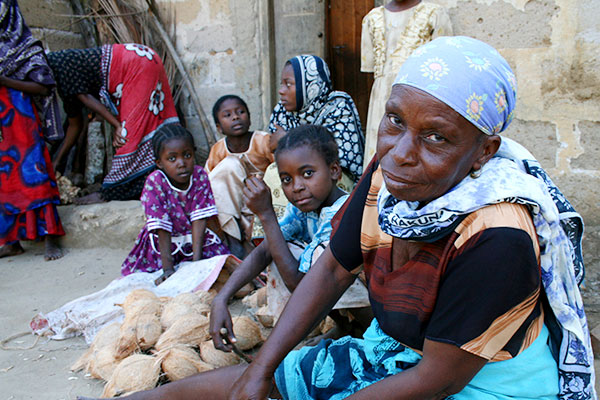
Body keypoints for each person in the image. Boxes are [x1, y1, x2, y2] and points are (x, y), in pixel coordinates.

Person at [77, 37, 596, 400]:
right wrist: (260, 371)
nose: (400, 152)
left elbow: (438, 380)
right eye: (394, 121)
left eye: (436, 136)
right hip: (395, 353)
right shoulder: (386, 179)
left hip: (475, 386)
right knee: (265, 382)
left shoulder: (497, 234)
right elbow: (330, 269)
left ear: (483, 151)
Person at [210, 125, 371, 351]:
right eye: (286, 179)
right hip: (341, 290)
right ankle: (345, 327)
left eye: (307, 174)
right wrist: (222, 298)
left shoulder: (343, 214)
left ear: (334, 170)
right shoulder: (304, 207)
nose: (297, 187)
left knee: (311, 266)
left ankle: (371, 332)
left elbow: (302, 285)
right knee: (280, 247)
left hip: (377, 306)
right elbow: (267, 250)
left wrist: (266, 215)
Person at [47, 43, 179, 203]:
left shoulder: (59, 65)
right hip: (143, 60)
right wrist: (57, 161)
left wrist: (117, 126)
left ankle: (109, 193)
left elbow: (86, 98)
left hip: (137, 65)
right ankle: (154, 184)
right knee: (141, 133)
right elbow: (75, 124)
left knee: (127, 139)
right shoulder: (61, 80)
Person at [254, 55, 365, 240]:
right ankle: (273, 240)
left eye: (288, 84)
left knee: (276, 174)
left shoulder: (338, 105)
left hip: (336, 179)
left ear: (310, 85)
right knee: (275, 173)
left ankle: (296, 242)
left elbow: (340, 156)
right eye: (281, 84)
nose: (281, 91)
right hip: (304, 177)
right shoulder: (282, 111)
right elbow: (278, 153)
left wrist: (286, 137)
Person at [121, 123, 229, 284]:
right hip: (163, 244)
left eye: (187, 155)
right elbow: (161, 227)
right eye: (172, 158)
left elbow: (199, 220)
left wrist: (196, 263)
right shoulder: (155, 182)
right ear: (159, 163)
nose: (181, 163)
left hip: (194, 239)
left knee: (220, 266)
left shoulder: (199, 175)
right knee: (150, 279)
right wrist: (168, 269)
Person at [0, 0, 65, 261]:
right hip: (3, 131)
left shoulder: (24, 47)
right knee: (5, 183)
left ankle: (50, 237)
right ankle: (11, 242)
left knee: (34, 176)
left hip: (23, 126)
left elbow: (44, 86)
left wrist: (5, 81)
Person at [361, 0, 452, 166]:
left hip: (419, 97)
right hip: (381, 98)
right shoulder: (372, 18)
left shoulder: (434, 14)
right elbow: (371, 67)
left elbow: (445, 64)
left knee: (413, 149)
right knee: (381, 149)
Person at [205, 95, 274, 255]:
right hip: (234, 209)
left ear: (249, 118)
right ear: (219, 127)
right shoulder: (218, 150)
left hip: (263, 202)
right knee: (229, 166)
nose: (235, 117)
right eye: (227, 115)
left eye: (240, 112)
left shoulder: (264, 141)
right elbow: (209, 181)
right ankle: (233, 240)